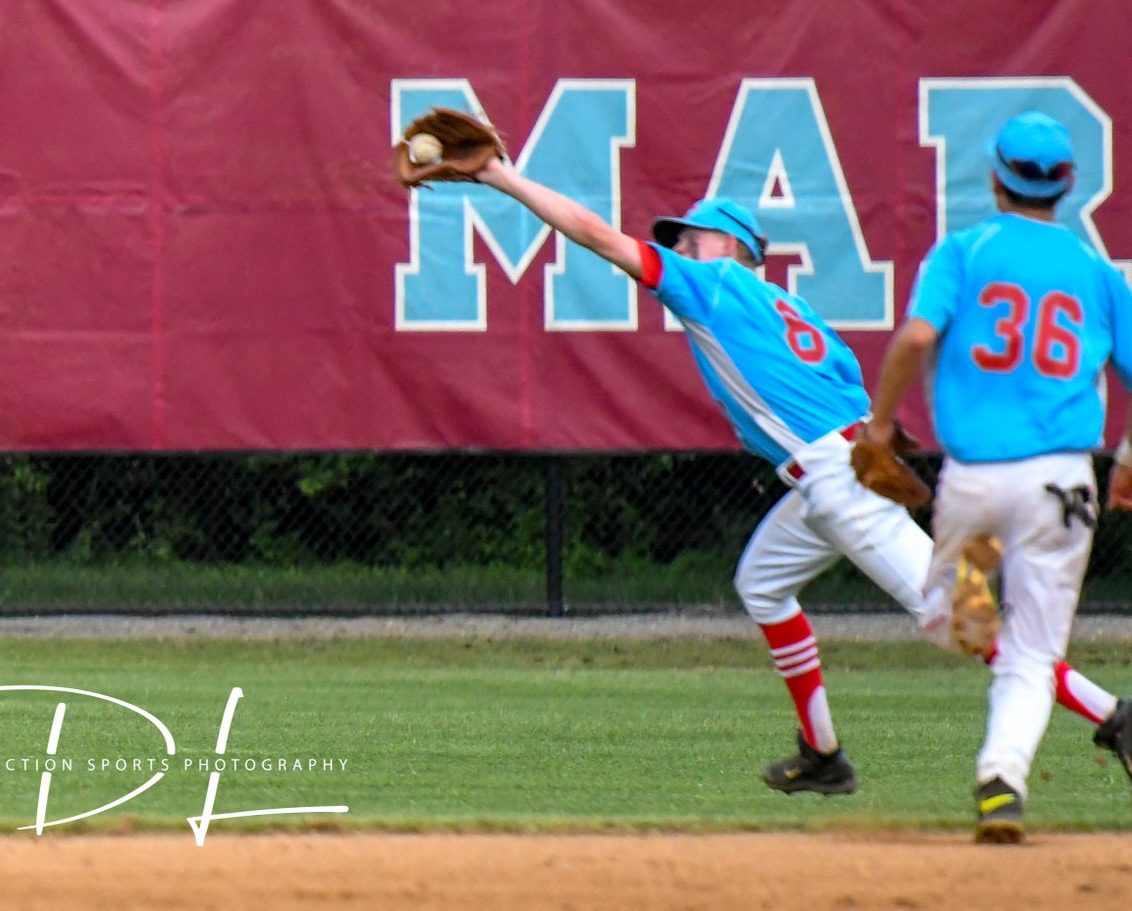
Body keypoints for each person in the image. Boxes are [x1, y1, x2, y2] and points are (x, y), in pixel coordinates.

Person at [469, 149, 1131, 799]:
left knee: (959, 618)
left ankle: (1115, 716)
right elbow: (851, 389)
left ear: (728, 248)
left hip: (836, 481)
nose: (679, 250)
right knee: (762, 584)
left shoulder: (714, 284)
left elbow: (593, 234)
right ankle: (822, 755)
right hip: (831, 474)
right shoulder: (797, 313)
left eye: (691, 239)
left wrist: (502, 177)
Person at [862, 110, 1132, 843]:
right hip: (1061, 487)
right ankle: (1001, 778)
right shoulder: (1096, 273)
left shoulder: (965, 250)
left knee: (955, 625)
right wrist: (1128, 462)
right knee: (1033, 651)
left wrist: (880, 428)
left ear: (995, 177)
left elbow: (917, 337)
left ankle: (1002, 782)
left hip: (978, 487)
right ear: (1068, 184)